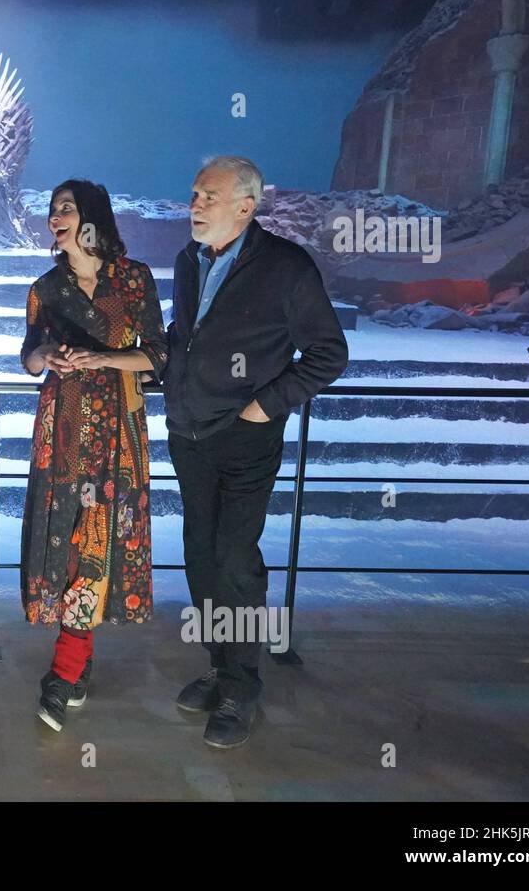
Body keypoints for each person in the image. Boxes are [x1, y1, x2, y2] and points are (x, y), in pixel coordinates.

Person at [163, 155, 349, 748]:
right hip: (189, 435)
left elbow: (328, 352)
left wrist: (267, 405)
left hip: (245, 439)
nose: (194, 204)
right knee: (200, 553)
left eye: (207, 196)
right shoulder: (188, 263)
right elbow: (183, 338)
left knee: (235, 559)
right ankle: (219, 667)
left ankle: (243, 684)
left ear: (246, 206)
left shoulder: (287, 267)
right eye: (193, 194)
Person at [20, 179, 168, 732]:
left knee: (97, 540)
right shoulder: (44, 287)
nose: (55, 217)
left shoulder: (132, 281)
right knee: (64, 541)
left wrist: (103, 356)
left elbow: (157, 354)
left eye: (66, 208)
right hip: (60, 433)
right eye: (52, 209)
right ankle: (77, 659)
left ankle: (61, 674)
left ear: (92, 218)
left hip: (117, 434)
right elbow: (28, 357)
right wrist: (45, 357)